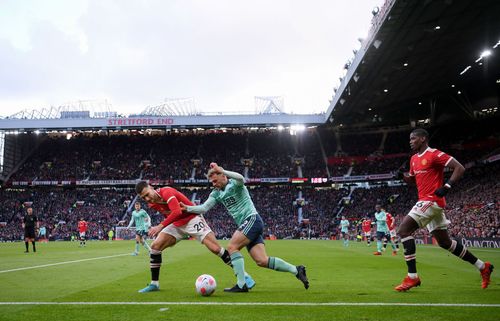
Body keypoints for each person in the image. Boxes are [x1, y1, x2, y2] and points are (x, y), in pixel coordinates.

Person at [180, 163, 309, 292]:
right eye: (211, 182)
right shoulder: (216, 193)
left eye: (215, 181)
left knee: (232, 247)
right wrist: (188, 208)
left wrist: (223, 169)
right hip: (248, 224)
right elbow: (204, 208)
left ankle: (242, 285)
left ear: (222, 175)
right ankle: (296, 270)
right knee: (262, 260)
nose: (213, 184)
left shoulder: (235, 184)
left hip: (252, 219)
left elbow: (241, 178)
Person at [393, 128, 494, 291]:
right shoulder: (413, 159)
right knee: (445, 242)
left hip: (431, 200)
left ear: (423, 138)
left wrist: (447, 186)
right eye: (410, 139)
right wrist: (402, 177)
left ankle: (412, 277)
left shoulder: (434, 154)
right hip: (427, 202)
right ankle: (483, 266)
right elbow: (412, 180)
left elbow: (459, 167)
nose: (410, 141)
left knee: (403, 231)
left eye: (413, 138)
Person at [134, 180, 255, 293]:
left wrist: (160, 226)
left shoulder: (167, 191)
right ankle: (154, 284)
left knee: (215, 248)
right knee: (155, 246)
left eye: (147, 194)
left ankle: (244, 276)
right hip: (177, 224)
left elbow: (177, 211)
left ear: (151, 187)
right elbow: (172, 215)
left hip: (192, 218)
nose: (147, 198)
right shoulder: (151, 203)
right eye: (144, 197)